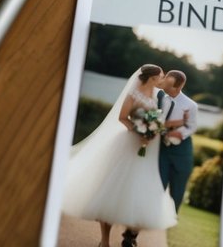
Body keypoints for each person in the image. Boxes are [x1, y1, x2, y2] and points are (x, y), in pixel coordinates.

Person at [60, 64, 177, 247]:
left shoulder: (154, 96)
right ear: (152, 77)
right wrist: (137, 130)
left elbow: (153, 118)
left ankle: (129, 236)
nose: (162, 79)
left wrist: (151, 132)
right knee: (110, 192)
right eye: (161, 76)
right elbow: (123, 117)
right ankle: (104, 241)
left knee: (132, 193)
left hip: (143, 151)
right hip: (126, 144)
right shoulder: (133, 94)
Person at [157, 70, 199, 212]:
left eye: (169, 85)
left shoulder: (191, 105)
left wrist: (179, 134)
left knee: (177, 190)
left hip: (181, 149)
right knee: (158, 184)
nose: (164, 87)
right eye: (165, 82)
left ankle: (172, 217)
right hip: (161, 148)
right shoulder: (160, 97)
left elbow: (192, 127)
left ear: (178, 87)